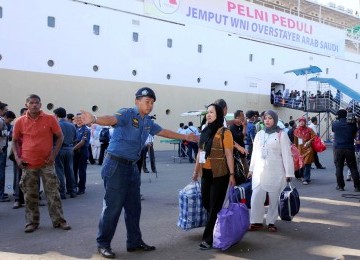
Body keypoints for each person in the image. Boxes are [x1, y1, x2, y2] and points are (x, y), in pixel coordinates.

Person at [74, 87, 198, 259]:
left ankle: (134, 242)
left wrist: (185, 137)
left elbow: (162, 131)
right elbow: (111, 119)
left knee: (134, 207)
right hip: (115, 165)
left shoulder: (147, 121)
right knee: (113, 207)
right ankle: (103, 244)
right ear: (137, 101)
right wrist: (94, 118)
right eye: (147, 101)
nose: (150, 105)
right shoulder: (127, 114)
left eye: (152, 102)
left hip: (132, 166)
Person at [12, 94, 71, 233]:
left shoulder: (50, 119)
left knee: (53, 193)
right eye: (31, 103)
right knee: (30, 195)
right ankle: (32, 222)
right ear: (26, 104)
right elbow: (14, 140)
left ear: (40, 104)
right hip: (27, 164)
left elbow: (60, 137)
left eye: (37, 103)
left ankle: (59, 221)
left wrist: (53, 155)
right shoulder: (19, 121)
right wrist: (17, 158)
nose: (34, 105)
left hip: (47, 163)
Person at [192, 103, 236, 250]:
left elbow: (229, 154)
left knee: (214, 206)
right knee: (206, 202)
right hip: (206, 174)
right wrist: (196, 170)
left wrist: (231, 174)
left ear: (218, 114)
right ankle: (217, 227)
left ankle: (207, 239)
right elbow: (200, 153)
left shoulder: (225, 132)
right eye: (207, 112)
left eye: (211, 112)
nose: (208, 115)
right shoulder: (205, 130)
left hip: (220, 175)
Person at [248, 110, 294, 232]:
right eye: (265, 118)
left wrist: (289, 173)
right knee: (256, 196)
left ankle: (271, 222)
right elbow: (255, 153)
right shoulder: (259, 134)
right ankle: (256, 221)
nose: (267, 120)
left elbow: (286, 154)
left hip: (276, 171)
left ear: (275, 120)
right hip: (259, 171)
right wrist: (251, 169)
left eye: (270, 118)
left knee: (274, 198)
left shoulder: (281, 134)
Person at [332, 109, 360, 191]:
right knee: (353, 167)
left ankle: (340, 186)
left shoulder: (335, 124)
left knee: (339, 167)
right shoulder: (352, 124)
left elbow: (333, 130)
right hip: (349, 148)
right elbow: (355, 132)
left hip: (338, 148)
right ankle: (357, 186)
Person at [54, 107, 77, 199]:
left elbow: (54, 138)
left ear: (56, 115)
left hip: (59, 149)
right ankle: (72, 191)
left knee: (59, 171)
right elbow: (75, 138)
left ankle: (62, 192)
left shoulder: (57, 125)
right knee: (70, 170)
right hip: (70, 148)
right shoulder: (72, 125)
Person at [294, 117, 316, 185]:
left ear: (305, 122)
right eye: (300, 121)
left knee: (307, 164)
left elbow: (314, 137)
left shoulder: (309, 129)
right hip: (300, 150)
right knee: (301, 164)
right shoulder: (296, 131)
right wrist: (296, 149)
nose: (301, 122)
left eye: (303, 121)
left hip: (308, 149)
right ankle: (303, 176)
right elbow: (295, 141)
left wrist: (309, 141)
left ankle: (306, 178)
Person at [0, 102, 9, 202]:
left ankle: (1, 192)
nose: (6, 112)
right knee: (1, 172)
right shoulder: (0, 120)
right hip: (1, 148)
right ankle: (0, 194)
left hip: (2, 147)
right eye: (5, 110)